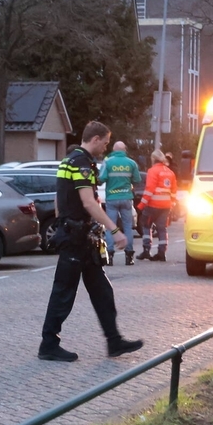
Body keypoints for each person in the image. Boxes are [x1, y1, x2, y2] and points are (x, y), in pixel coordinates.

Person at [38, 121, 144, 363]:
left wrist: (63, 222)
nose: (105, 148)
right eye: (105, 143)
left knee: (102, 290)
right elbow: (88, 202)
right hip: (76, 239)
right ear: (95, 139)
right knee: (63, 292)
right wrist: (115, 229)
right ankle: (49, 345)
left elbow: (59, 198)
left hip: (79, 237)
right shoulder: (82, 163)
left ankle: (114, 341)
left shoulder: (68, 161)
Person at [100, 141, 142, 266]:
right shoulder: (131, 163)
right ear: (125, 150)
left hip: (112, 198)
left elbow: (101, 179)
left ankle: (110, 255)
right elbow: (137, 179)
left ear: (114, 150)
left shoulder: (108, 162)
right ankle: (129, 256)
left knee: (110, 226)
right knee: (128, 227)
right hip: (126, 198)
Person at [136, 150, 177, 262]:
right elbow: (174, 191)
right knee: (162, 228)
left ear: (153, 159)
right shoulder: (170, 172)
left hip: (153, 205)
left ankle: (146, 250)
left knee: (146, 226)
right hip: (166, 205)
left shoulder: (152, 171)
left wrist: (141, 205)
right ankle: (161, 253)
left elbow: (149, 190)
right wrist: (171, 203)